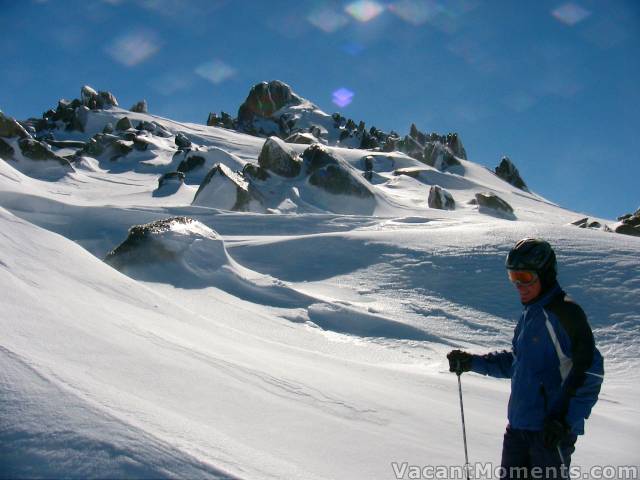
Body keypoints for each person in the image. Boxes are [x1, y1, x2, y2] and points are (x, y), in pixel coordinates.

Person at [447, 238, 604, 480]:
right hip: (518, 427)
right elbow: (518, 363)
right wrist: (472, 362)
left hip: (549, 433)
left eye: (525, 277)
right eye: (513, 277)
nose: (518, 285)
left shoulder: (565, 313)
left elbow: (591, 371)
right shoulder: (530, 314)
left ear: (545, 274)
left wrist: (564, 421)